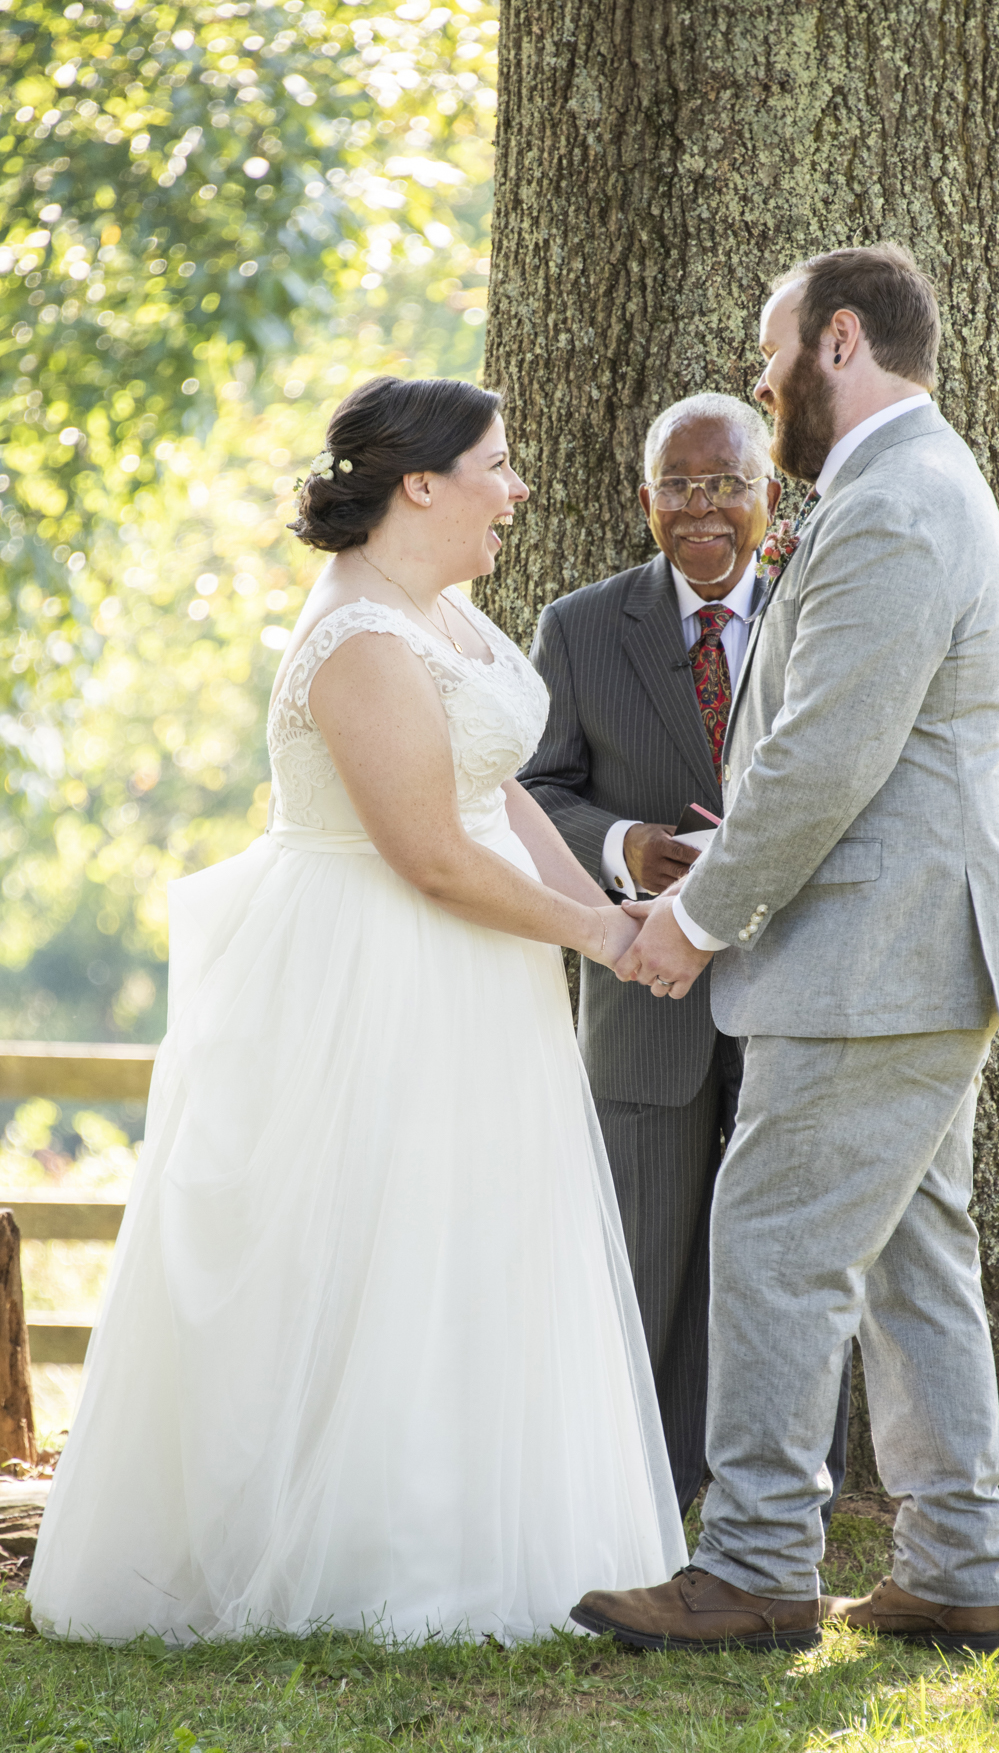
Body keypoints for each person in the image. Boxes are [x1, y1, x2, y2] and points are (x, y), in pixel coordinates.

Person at [28, 375, 685, 1644]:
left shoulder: (440, 609)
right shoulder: (360, 639)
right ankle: (363, 1557)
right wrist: (603, 935)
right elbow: (431, 854)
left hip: (479, 964)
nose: (521, 488)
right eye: (499, 464)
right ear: (421, 482)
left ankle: (493, 1525)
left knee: (470, 1235)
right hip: (373, 970)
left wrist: (616, 916)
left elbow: (503, 798)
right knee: (376, 1240)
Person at [572, 243, 999, 1658]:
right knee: (914, 1260)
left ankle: (754, 1564)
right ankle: (956, 1567)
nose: (757, 371)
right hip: (904, 948)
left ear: (838, 342)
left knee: (774, 1247)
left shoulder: (895, 504)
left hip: (875, 953)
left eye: (770, 346)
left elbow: (819, 757)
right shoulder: (894, 490)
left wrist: (690, 922)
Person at [519, 393, 851, 1518]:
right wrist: (622, 846)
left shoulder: (824, 612)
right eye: (677, 485)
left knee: (782, 1259)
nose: (700, 509)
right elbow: (530, 791)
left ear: (769, 495)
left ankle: (786, 1494)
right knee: (641, 1253)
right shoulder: (579, 625)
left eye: (724, 484)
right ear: (645, 497)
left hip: (791, 982)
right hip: (640, 996)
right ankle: (640, 1488)